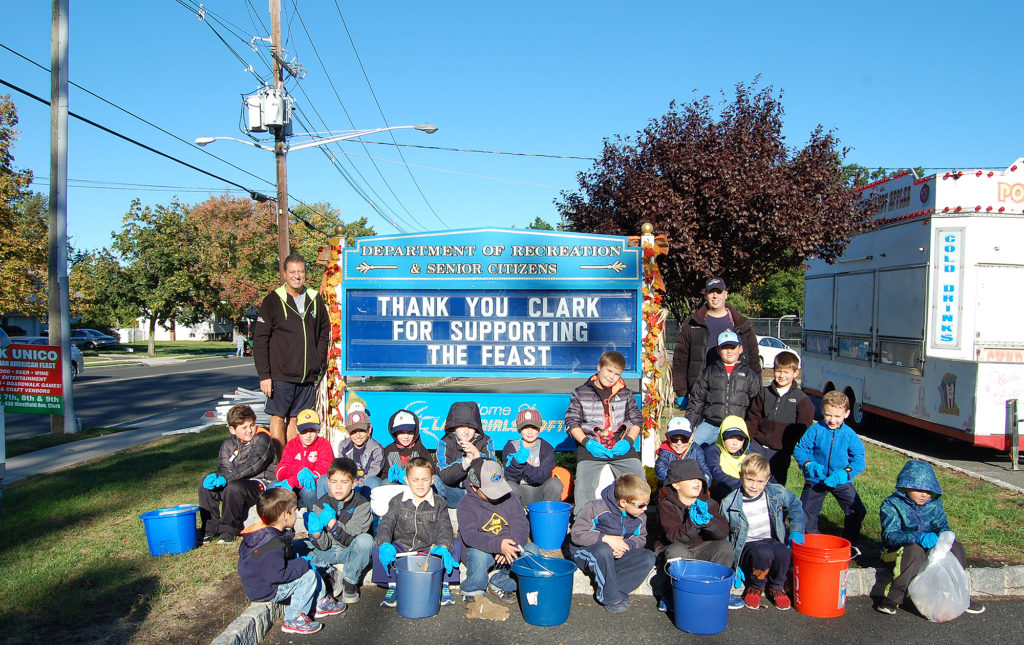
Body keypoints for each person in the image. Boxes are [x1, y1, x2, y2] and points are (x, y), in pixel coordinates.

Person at [876, 460, 985, 615]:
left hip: (928, 549)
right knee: (914, 551)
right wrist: (918, 537)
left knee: (956, 547)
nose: (924, 495)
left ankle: (960, 596)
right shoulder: (892, 504)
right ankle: (893, 598)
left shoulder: (934, 504)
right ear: (906, 486)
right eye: (919, 489)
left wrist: (944, 535)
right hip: (896, 551)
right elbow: (890, 535)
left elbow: (942, 526)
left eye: (928, 491)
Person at [238, 487, 347, 635]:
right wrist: (302, 563)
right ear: (285, 515)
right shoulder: (272, 544)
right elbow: (277, 574)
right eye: (294, 511)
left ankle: (319, 602)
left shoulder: (266, 534)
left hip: (263, 581)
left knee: (306, 566)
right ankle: (294, 619)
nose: (296, 515)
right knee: (307, 576)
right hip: (266, 588)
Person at [253, 253, 331, 456]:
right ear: (285, 273)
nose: (297, 276)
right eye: (292, 272)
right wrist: (265, 375)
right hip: (280, 375)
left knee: (296, 420)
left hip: (306, 376)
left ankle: (292, 462)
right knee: (278, 418)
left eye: (301, 272)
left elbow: (324, 332)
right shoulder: (272, 301)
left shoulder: (315, 299)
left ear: (306, 273)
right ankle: (279, 464)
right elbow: (260, 340)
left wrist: (317, 358)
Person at [372, 457, 460, 608]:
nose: (420, 484)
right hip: (403, 546)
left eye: (425, 479)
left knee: (455, 545)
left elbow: (445, 526)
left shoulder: (439, 502)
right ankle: (392, 584)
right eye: (415, 479)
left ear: (432, 480)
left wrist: (444, 545)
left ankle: (444, 582)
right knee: (378, 546)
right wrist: (384, 542)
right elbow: (386, 523)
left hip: (430, 547)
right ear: (406, 480)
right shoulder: (397, 501)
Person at [721, 453, 806, 611]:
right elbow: (724, 534)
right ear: (741, 476)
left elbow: (795, 506)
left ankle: (777, 586)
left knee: (783, 551)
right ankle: (756, 585)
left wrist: (796, 530)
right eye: (750, 480)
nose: (754, 486)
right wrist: (731, 564)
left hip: (770, 541)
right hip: (748, 546)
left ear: (767, 480)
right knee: (763, 551)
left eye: (760, 481)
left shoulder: (776, 492)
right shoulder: (729, 503)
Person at [565, 350, 644, 510]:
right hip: (591, 448)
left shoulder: (626, 394)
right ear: (599, 367)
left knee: (638, 482)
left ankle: (637, 523)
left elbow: (637, 422)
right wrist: (588, 444)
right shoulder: (580, 392)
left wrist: (628, 442)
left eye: (617, 373)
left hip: (621, 447)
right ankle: (582, 526)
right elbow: (572, 424)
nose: (611, 376)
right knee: (583, 485)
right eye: (609, 370)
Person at [656, 458, 737, 610]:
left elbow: (723, 532)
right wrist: (693, 523)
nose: (697, 483)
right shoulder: (667, 506)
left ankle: (718, 591)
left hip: (702, 549)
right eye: (691, 479)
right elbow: (675, 538)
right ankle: (672, 594)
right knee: (676, 550)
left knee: (725, 546)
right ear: (676, 484)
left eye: (699, 479)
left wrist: (707, 522)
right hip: (678, 548)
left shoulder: (709, 503)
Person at [569, 473, 656, 613]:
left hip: (617, 555)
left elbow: (641, 538)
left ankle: (616, 590)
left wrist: (625, 546)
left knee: (648, 557)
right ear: (623, 502)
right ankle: (608, 597)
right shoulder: (595, 508)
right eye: (641, 505)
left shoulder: (640, 517)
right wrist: (606, 539)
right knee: (603, 550)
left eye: (647, 503)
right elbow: (577, 534)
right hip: (589, 553)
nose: (645, 508)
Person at [457, 458, 538, 606]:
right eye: (490, 492)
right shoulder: (466, 504)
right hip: (482, 551)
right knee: (477, 554)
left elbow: (521, 524)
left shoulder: (510, 498)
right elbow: (470, 536)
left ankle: (501, 583)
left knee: (532, 552)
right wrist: (498, 545)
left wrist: (511, 544)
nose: (497, 495)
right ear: (474, 487)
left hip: (508, 549)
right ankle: (473, 590)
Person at [671, 276, 760, 410]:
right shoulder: (692, 324)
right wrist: (682, 392)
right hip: (702, 396)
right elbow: (680, 360)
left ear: (726, 295)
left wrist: (757, 394)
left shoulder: (742, 324)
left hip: (736, 396)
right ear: (706, 295)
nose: (715, 296)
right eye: (711, 292)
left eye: (719, 292)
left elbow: (753, 359)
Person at [793, 390, 867, 546]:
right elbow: (800, 450)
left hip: (839, 479)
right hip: (816, 478)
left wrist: (845, 474)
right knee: (806, 512)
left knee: (857, 510)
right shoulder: (815, 429)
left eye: (837, 416)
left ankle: (849, 545)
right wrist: (809, 465)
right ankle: (813, 542)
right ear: (822, 411)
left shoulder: (849, 435)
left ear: (847, 414)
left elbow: (859, 460)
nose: (832, 420)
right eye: (828, 415)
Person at [198, 404, 277, 544]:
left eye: (252, 425)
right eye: (244, 428)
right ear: (232, 430)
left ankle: (229, 529)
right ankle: (209, 527)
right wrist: (217, 475)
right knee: (205, 485)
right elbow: (224, 467)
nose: (249, 431)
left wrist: (226, 477)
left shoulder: (263, 439)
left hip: (259, 482)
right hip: (234, 480)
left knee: (234, 487)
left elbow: (253, 464)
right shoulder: (228, 444)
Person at [304, 458, 374, 604]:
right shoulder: (320, 504)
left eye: (344, 482)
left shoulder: (362, 504)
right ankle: (329, 573)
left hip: (349, 550)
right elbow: (324, 545)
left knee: (366, 541)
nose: (338, 487)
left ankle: (350, 580)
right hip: (328, 551)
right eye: (334, 482)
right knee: (300, 546)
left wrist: (332, 524)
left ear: (354, 483)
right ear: (328, 483)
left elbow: (349, 539)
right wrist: (316, 535)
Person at [684, 329, 763, 447]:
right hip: (711, 425)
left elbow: (756, 406)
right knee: (692, 448)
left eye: (733, 347)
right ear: (718, 350)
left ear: (740, 349)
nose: (729, 351)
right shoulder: (708, 372)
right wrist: (687, 428)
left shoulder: (749, 375)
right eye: (725, 348)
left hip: (737, 427)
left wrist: (752, 430)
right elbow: (697, 401)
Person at [750, 350, 814, 485]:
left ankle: (776, 506)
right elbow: (753, 417)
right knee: (752, 479)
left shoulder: (801, 399)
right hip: (757, 445)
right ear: (773, 371)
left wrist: (789, 444)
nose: (781, 375)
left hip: (780, 451)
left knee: (775, 483)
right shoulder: (764, 393)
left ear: (796, 373)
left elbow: (804, 426)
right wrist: (749, 440)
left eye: (786, 372)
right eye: (779, 371)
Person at [435, 401, 496, 508]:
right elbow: (445, 476)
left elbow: (493, 473)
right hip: (454, 493)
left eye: (471, 427)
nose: (466, 431)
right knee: (435, 480)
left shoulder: (486, 441)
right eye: (461, 426)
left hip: (480, 494)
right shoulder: (444, 443)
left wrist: (477, 456)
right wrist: (466, 461)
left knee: (500, 477)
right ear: (453, 427)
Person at [501, 407, 563, 508]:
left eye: (534, 427)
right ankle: (515, 518)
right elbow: (510, 477)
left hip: (539, 491)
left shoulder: (546, 448)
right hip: (520, 491)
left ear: (540, 428)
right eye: (525, 427)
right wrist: (516, 464)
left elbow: (543, 477)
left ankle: (548, 514)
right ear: (519, 428)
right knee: (509, 486)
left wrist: (523, 465)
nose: (530, 431)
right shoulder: (511, 447)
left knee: (555, 483)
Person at [274, 409, 334, 510]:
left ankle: (317, 520)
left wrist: (295, 480)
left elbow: (323, 470)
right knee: (272, 488)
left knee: (309, 491)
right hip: (293, 486)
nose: (308, 435)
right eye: (304, 431)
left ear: (318, 430)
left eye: (312, 431)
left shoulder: (324, 444)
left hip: (311, 486)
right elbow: (280, 471)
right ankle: (277, 524)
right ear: (297, 430)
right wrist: (299, 471)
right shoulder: (291, 445)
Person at [705, 416, 758, 501]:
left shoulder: (748, 455)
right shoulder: (713, 451)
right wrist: (744, 484)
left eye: (740, 439)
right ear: (722, 437)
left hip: (746, 489)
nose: (735, 443)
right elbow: (716, 473)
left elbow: (762, 472)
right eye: (730, 437)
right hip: (721, 491)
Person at [336, 409, 385, 491]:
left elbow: (372, 472)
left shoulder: (376, 448)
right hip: (348, 485)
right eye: (353, 432)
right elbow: (342, 469)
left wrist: (357, 486)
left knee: (374, 481)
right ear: (348, 432)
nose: (358, 436)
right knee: (325, 480)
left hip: (365, 485)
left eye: (361, 431)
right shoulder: (343, 446)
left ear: (369, 430)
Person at [654, 416, 710, 486]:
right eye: (674, 439)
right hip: (672, 486)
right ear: (667, 437)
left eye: (684, 439)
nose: (679, 443)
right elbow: (660, 469)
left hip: (693, 487)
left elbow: (705, 470)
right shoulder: (665, 451)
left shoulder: (696, 450)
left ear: (691, 437)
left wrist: (703, 483)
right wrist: (677, 482)